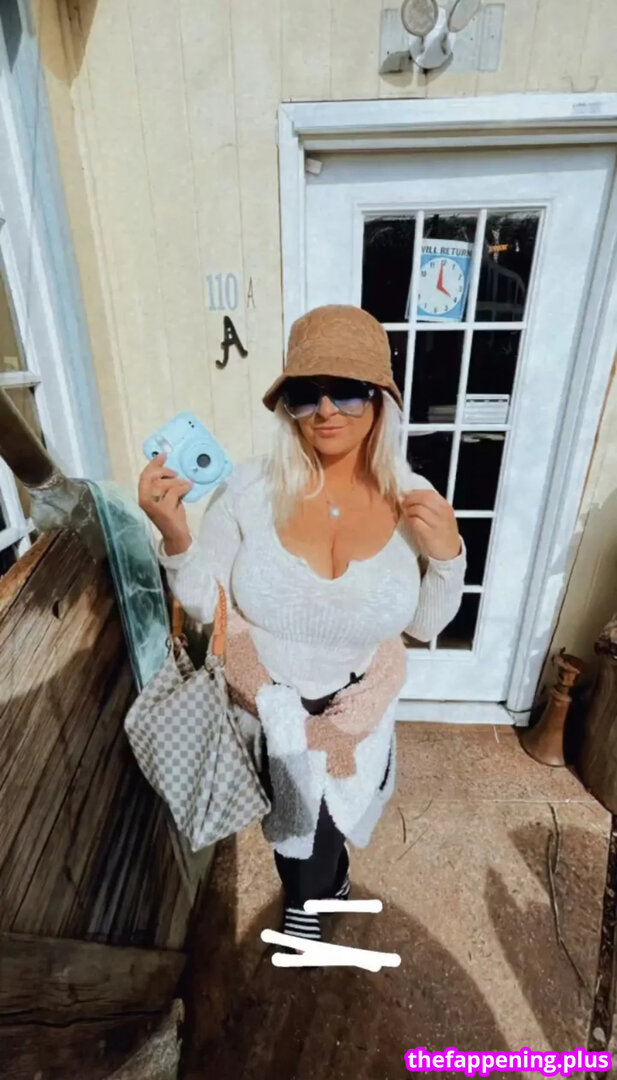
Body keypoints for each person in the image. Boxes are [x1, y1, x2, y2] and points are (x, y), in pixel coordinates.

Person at [139, 304, 466, 943]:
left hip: (358, 710)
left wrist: (448, 555)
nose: (326, 410)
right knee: (292, 834)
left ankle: (324, 883)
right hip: (267, 707)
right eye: (305, 393)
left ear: (380, 400)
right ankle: (309, 895)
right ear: (286, 405)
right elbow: (208, 606)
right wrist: (175, 534)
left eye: (347, 390)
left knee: (328, 826)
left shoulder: (413, 497)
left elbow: (423, 625)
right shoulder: (249, 491)